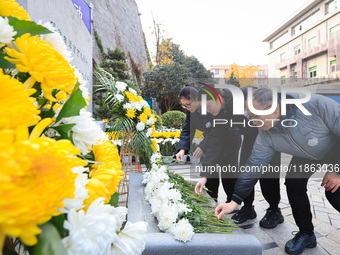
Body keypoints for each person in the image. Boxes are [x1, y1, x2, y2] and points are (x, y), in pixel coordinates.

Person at [215, 88, 340, 255]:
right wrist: (234, 201)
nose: (252, 122)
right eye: (249, 116)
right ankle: (307, 234)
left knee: (334, 193)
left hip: (335, 148)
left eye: (255, 117)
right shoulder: (265, 134)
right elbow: (254, 165)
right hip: (306, 155)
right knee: (294, 183)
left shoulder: (317, 105)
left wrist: (336, 170)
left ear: (273, 109)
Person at [195, 85, 283, 228]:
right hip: (250, 137)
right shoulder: (220, 116)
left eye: (209, 106)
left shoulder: (243, 95)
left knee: (268, 174)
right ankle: (248, 208)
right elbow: (215, 144)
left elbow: (267, 100)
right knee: (244, 171)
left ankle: (274, 210)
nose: (209, 111)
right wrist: (205, 175)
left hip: (268, 134)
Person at [176, 85, 241, 202]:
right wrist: (182, 149)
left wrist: (203, 145)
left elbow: (216, 131)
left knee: (228, 172)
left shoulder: (213, 108)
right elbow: (187, 129)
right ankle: (212, 198)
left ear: (197, 99)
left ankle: (232, 200)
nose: (186, 108)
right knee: (211, 172)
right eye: (183, 106)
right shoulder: (192, 111)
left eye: (188, 104)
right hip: (212, 142)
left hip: (229, 141)